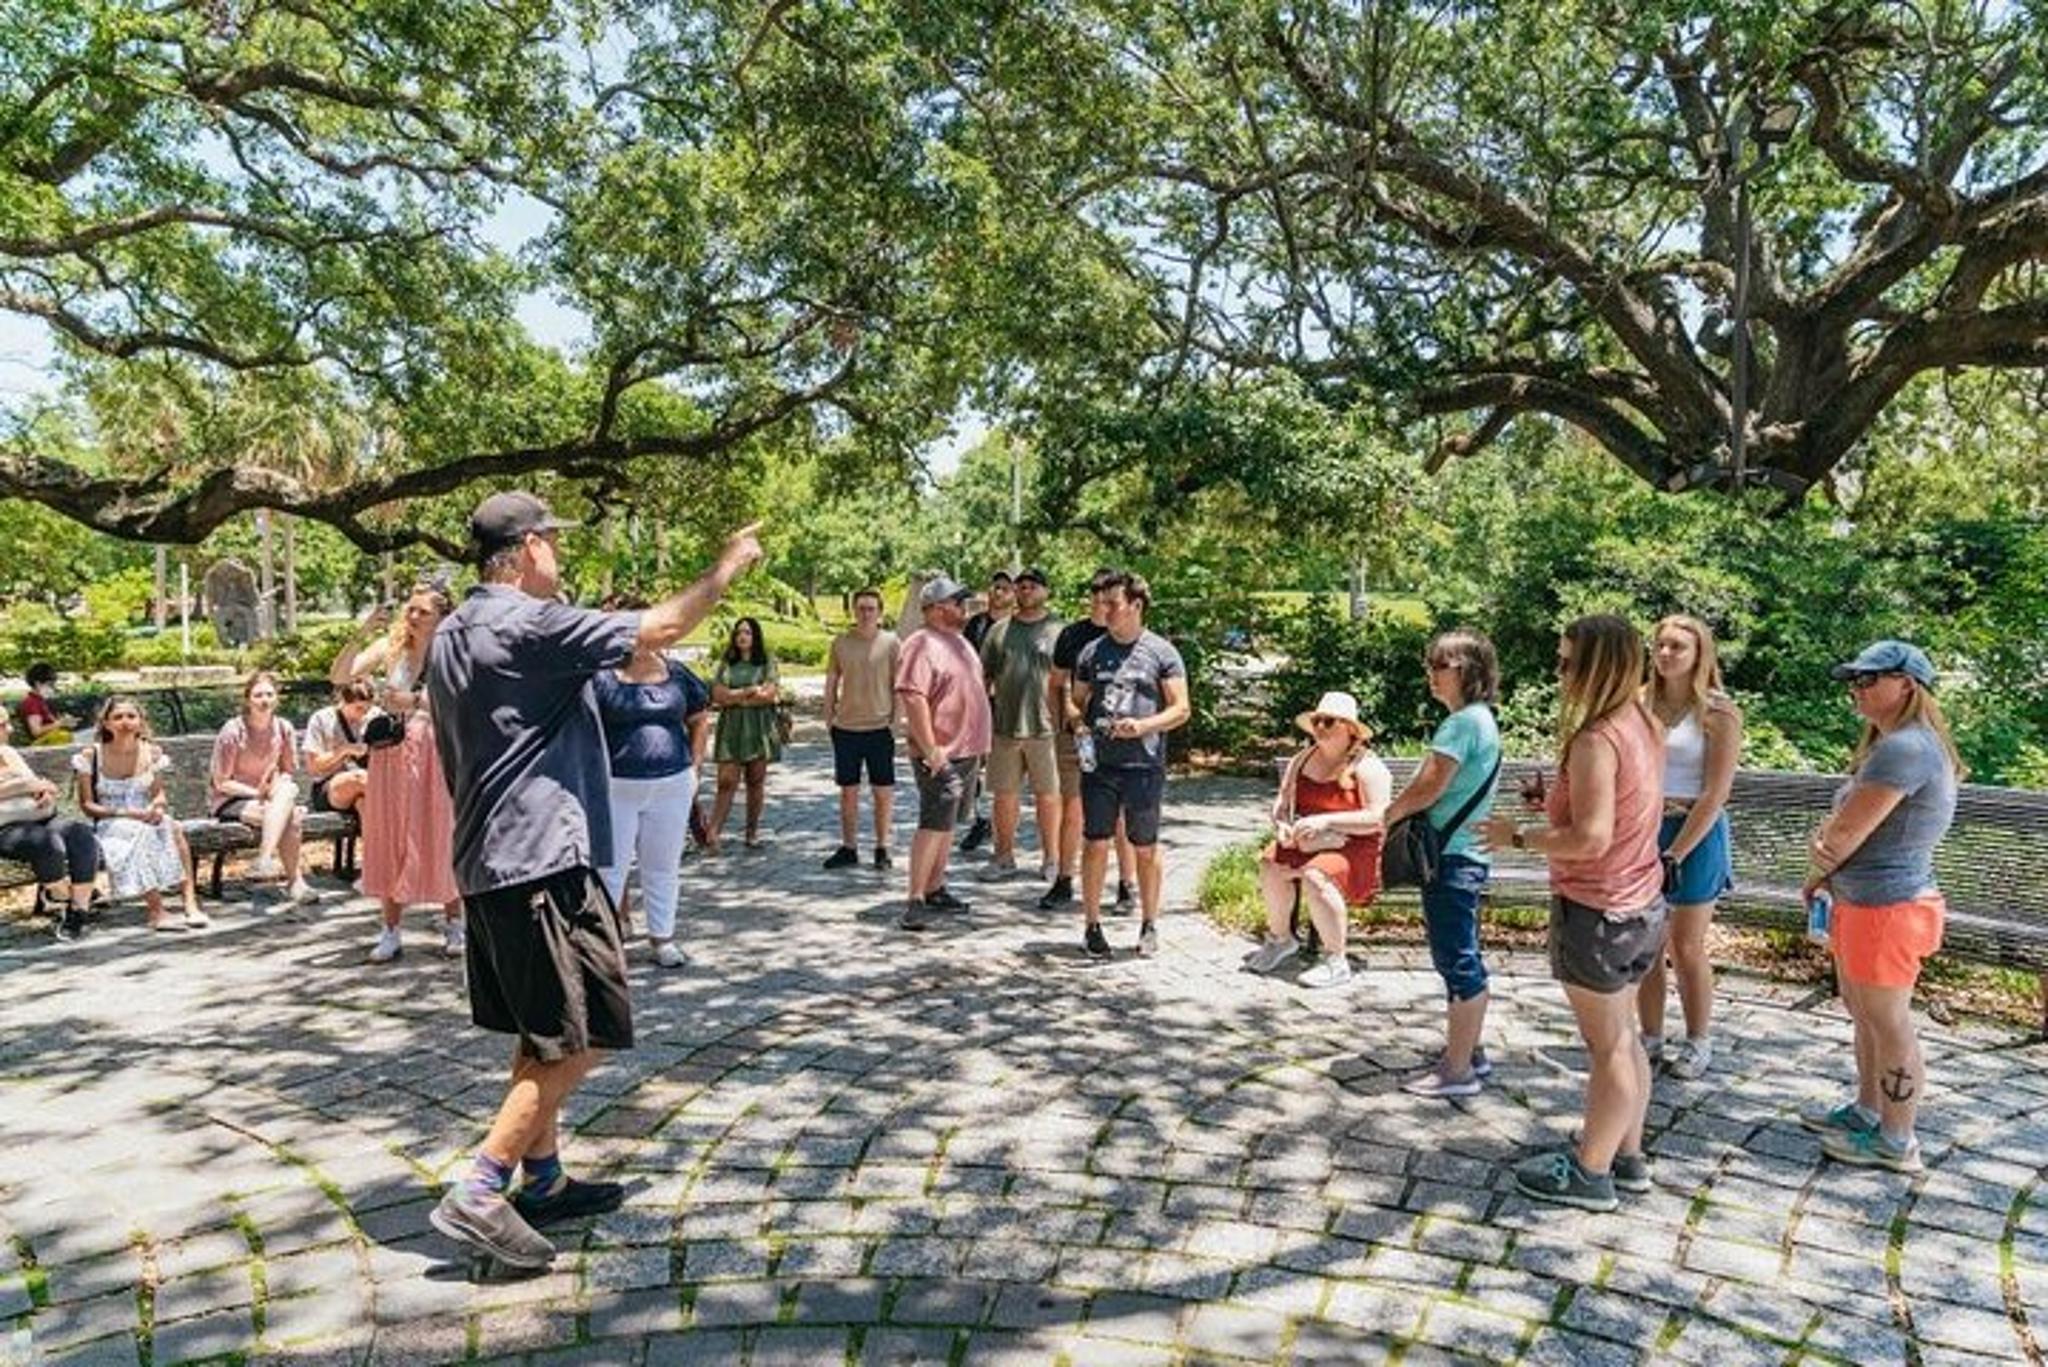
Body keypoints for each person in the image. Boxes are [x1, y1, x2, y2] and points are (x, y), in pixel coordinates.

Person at [425, 489, 760, 1271]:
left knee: (544, 1029)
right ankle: (482, 1185)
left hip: (488, 860)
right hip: (543, 860)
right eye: (553, 539)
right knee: (590, 1029)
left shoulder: (450, 632)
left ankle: (542, 1179)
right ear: (526, 549)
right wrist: (726, 569)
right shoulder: (529, 624)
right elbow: (663, 629)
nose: (560, 552)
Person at [1483, 614, 1665, 1213]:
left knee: (1608, 1047)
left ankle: (1591, 1173)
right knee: (1625, 1037)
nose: (1558, 673)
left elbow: (1590, 839)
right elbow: (1619, 809)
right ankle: (1626, 1155)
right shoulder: (1643, 722)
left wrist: (1517, 837)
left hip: (1597, 912)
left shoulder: (1595, 740)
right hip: (1641, 906)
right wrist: (1554, 803)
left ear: (1597, 667)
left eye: (1566, 663)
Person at [1799, 641, 1959, 1174]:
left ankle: (1897, 1140)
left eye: (1869, 680)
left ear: (1907, 685)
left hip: (1888, 908)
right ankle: (1868, 1112)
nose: (1856, 689)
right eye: (1854, 680)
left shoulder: (1907, 748)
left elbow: (1843, 834)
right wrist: (1826, 861)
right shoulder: (1895, 744)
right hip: (1866, 901)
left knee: (1889, 1022)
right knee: (1864, 1012)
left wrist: (1819, 863)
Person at [1380, 630, 1504, 1096]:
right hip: (1466, 856)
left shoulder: (1462, 724)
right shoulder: (1481, 719)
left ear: (1468, 671)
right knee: (1462, 956)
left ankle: (1457, 1071)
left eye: (1440, 666)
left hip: (1451, 859)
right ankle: (1470, 1051)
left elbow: (1430, 786)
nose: (1431, 674)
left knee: (1457, 961)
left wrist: (1390, 814)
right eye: (1429, 665)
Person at [332, 587, 464, 963]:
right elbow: (340, 675)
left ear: (441, 617)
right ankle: (390, 930)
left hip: (435, 751)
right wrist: (362, 631)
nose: (413, 616)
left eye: (423, 611)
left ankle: (455, 924)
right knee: (389, 835)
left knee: (441, 832)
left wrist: (415, 701)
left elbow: (464, 704)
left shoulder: (453, 652)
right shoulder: (392, 649)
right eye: (411, 609)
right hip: (391, 754)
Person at [1639, 615, 1742, 1080]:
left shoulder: (1719, 712)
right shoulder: (1639, 702)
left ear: (1700, 654)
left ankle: (1699, 1039)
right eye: (1660, 645)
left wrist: (1675, 854)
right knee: (1646, 941)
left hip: (1695, 834)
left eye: (1677, 647)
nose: (1665, 654)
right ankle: (1650, 1036)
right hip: (1645, 828)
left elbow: (1716, 793)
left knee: (1685, 945)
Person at [1071, 570, 1191, 960]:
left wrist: (1143, 726)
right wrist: (1077, 724)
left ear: (1136, 605)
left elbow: (1181, 709)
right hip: (1100, 765)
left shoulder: (1162, 652)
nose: (1104, 610)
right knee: (1095, 842)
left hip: (1144, 764)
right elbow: (1075, 700)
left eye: (1113, 603)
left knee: (1145, 846)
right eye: (1101, 603)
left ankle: (1150, 923)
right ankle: (1092, 925)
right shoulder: (1091, 652)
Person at [1242, 691, 1389, 988]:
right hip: (1308, 841)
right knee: (1271, 863)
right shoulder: (1302, 759)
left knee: (1316, 875)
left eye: (1329, 722)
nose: (1320, 727)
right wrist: (1282, 825)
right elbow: (1282, 803)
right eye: (1316, 721)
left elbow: (1379, 818)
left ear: (1350, 729)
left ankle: (1336, 959)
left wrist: (1327, 821)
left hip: (1355, 846)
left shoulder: (1367, 766)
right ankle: (1281, 939)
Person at [594, 617, 713, 969]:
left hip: (671, 783)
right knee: (610, 868)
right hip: (616, 785)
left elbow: (699, 719)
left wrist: (695, 769)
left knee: (663, 866)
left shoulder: (677, 674)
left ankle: (663, 938)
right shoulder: (602, 676)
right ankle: (605, 942)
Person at [896, 577, 994, 930]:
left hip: (966, 750)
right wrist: (931, 749)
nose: (964, 607)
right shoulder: (920, 644)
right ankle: (915, 899)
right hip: (940, 752)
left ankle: (936, 886)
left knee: (949, 822)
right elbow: (913, 697)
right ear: (937, 609)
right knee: (934, 822)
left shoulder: (961, 642)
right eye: (957, 602)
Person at [1041, 571, 1136, 912]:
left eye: (1109, 596)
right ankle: (1064, 878)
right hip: (1078, 736)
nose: (1101, 601)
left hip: (1119, 737)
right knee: (1074, 806)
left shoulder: (1128, 636)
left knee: (1120, 813)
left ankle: (1127, 884)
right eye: (1096, 594)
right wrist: (1062, 725)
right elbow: (1056, 683)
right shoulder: (1072, 636)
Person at [73, 695, 207, 931]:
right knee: (139, 832)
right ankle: (157, 911)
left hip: (146, 814)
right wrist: (127, 813)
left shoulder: (150, 753)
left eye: (131, 716)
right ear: (106, 723)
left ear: (140, 721)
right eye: (118, 717)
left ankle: (190, 903)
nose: (125, 722)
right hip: (112, 819)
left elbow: (159, 794)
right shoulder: (91, 756)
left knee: (173, 827)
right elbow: (87, 805)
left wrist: (157, 808)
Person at [977, 567, 1063, 883]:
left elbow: (1070, 680)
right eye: (1021, 586)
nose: (1026, 590)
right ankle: (1003, 857)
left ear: (1046, 591)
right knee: (1004, 796)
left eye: (1033, 585)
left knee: (1049, 796)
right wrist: (979, 721)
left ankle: (1052, 859)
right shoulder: (999, 631)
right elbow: (983, 678)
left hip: (1046, 729)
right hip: (1005, 727)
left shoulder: (1059, 631)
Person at [209, 671, 313, 902]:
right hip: (232, 799)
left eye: (269, 694)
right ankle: (294, 881)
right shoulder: (233, 731)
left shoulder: (284, 728)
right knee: (291, 817)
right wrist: (257, 794)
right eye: (258, 695)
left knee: (289, 791)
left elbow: (287, 771)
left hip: (271, 798)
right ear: (248, 699)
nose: (264, 700)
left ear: (277, 698)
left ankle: (264, 860)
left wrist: (275, 788)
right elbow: (221, 782)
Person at [0, 700, 99, 941]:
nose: (10, 729)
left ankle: (77, 911)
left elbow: (39, 784)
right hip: (6, 829)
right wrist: (21, 786)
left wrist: (44, 790)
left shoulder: (8, 753)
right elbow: (27, 783)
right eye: (2, 725)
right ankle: (60, 896)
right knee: (47, 843)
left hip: (43, 817)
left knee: (80, 833)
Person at [822, 588, 900, 872]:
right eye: (861, 608)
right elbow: (832, 680)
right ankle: (849, 847)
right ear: (853, 611)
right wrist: (828, 717)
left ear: (880, 613)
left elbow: (899, 685)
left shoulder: (891, 643)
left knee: (883, 792)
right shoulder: (841, 643)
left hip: (880, 728)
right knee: (848, 792)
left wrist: (896, 722)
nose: (866, 614)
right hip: (846, 728)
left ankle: (882, 847)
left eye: (871, 609)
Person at [707, 617, 781, 851]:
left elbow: (769, 695)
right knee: (726, 781)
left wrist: (734, 698)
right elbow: (718, 695)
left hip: (758, 727)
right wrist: (748, 691)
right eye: (739, 632)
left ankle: (751, 833)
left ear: (755, 636)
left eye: (747, 632)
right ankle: (713, 833)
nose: (742, 637)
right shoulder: (727, 663)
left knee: (755, 781)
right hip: (731, 728)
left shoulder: (766, 661)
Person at [957, 571, 1014, 853]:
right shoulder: (976, 625)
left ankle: (1003, 824)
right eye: (995, 587)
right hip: (977, 703)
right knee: (973, 764)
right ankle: (981, 819)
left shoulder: (1017, 626)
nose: (998, 592)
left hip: (1010, 705)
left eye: (1004, 588)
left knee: (1003, 767)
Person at [302, 678, 377, 815]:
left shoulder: (374, 717)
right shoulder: (322, 719)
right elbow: (313, 767)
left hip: (366, 785)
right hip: (329, 787)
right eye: (358, 708)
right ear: (343, 702)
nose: (363, 713)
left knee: (363, 804)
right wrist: (344, 750)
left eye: (367, 709)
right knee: (359, 778)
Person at [18, 663, 81, 747]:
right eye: (50, 685)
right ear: (38, 683)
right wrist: (60, 723)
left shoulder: (39, 700)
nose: (52, 688)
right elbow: (36, 731)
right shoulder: (32, 702)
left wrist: (65, 722)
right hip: (43, 746)